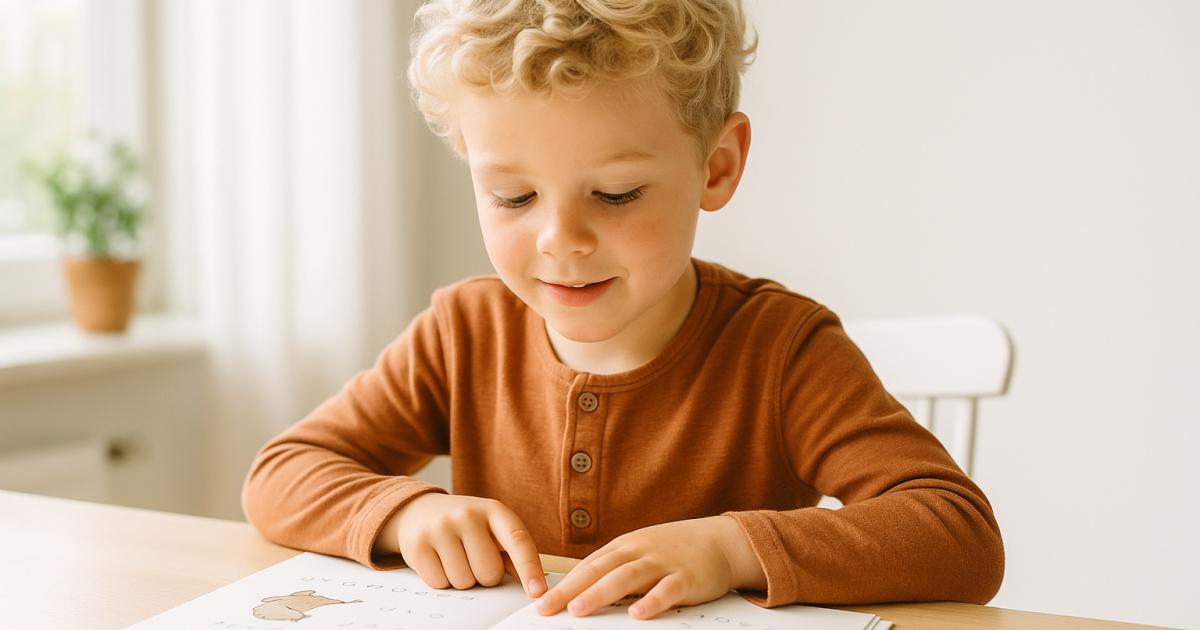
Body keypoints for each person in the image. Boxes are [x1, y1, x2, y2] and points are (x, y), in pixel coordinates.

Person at [242, 0, 1004, 621]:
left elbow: (958, 534)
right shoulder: (463, 332)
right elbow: (281, 474)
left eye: (615, 194)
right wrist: (404, 514)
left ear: (717, 167)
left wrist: (730, 549)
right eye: (513, 196)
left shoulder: (783, 349)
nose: (561, 240)